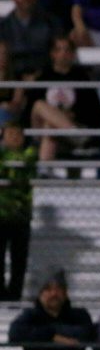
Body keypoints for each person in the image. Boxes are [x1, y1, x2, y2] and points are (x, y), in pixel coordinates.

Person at [0, 122, 38, 301]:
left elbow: (25, 168)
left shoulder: (29, 154)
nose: (14, 137)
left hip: (21, 216)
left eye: (17, 134)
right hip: (1, 215)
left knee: (19, 261)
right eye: (10, 133)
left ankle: (14, 297)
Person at [0, 0, 64, 79]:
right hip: (12, 74)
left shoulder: (50, 22)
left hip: (43, 74)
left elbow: (57, 48)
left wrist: (38, 75)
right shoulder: (3, 25)